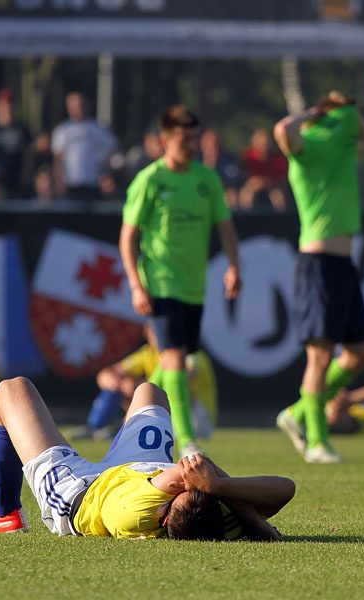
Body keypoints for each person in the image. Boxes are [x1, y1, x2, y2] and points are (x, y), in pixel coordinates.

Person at [0, 377, 294, 540]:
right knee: (150, 392)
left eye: (180, 488)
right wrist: (253, 521)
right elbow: (286, 488)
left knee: (12, 389)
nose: (187, 480)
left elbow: (193, 464)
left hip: (77, 492)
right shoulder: (214, 516)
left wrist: (213, 482)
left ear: (165, 518)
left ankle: (4, 512)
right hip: (138, 467)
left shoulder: (137, 513)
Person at [119, 104, 242, 458]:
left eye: (194, 138)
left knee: (174, 361)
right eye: (183, 139)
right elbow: (128, 237)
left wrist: (234, 267)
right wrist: (135, 284)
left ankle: (132, 420)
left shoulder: (207, 180)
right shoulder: (150, 180)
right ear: (165, 141)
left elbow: (226, 228)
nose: (190, 145)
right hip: (160, 284)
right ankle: (185, 439)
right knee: (174, 359)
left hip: (194, 287)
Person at [272, 91, 364, 463]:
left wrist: (345, 107)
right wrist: (316, 111)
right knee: (320, 356)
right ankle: (316, 441)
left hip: (344, 265)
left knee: (359, 355)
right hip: (317, 264)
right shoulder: (307, 150)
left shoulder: (345, 140)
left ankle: (298, 413)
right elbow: (283, 130)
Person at [70, 325, 218, 441]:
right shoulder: (148, 353)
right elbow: (105, 375)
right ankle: (96, 426)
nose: (159, 336)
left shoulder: (191, 354)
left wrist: (137, 387)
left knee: (176, 390)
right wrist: (114, 382)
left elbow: (181, 380)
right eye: (155, 331)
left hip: (198, 423)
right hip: (164, 419)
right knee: (117, 384)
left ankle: (127, 428)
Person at [51, 92, 119, 202]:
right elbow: (58, 158)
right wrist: (59, 181)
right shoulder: (62, 130)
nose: (78, 109)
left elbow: (114, 151)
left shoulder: (99, 129)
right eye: (74, 107)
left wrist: (108, 175)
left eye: (81, 106)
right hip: (70, 185)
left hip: (94, 184)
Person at [0, 88, 33, 199]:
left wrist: (26, 176)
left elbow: (28, 154)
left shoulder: (22, 128)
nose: (7, 107)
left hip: (17, 182)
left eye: (9, 103)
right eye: (3, 104)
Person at [239, 127, 289, 212]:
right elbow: (243, 175)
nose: (265, 146)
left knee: (278, 196)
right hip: (252, 187)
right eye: (261, 143)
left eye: (267, 143)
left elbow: (282, 180)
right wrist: (254, 182)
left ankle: (281, 221)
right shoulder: (247, 157)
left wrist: (268, 182)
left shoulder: (278, 159)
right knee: (246, 194)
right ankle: (246, 221)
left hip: (272, 187)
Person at [199, 128, 243, 210]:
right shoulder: (195, 162)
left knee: (231, 195)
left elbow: (232, 184)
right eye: (207, 145)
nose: (211, 149)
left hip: (222, 194)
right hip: (199, 192)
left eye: (215, 145)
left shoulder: (229, 161)